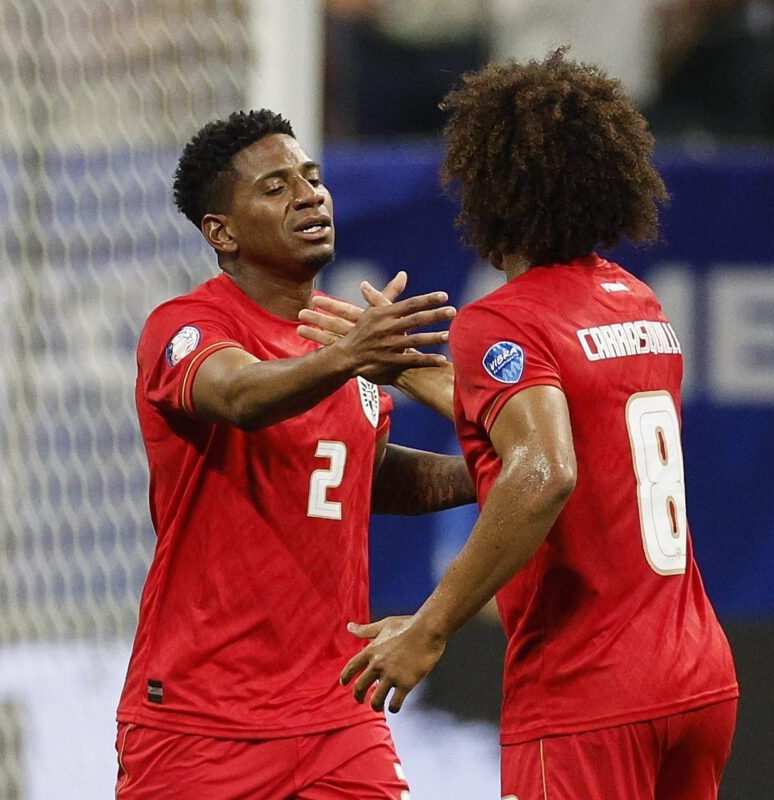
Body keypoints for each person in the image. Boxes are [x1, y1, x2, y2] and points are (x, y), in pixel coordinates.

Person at [336, 52, 739, 799]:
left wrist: (430, 625)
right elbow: (556, 411)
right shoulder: (636, 304)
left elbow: (545, 468)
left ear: (490, 188)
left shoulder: (505, 320)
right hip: (696, 677)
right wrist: (405, 368)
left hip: (590, 691)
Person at [115, 108, 474, 799]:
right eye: (276, 188)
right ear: (221, 231)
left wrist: (481, 475)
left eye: (312, 178)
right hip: (200, 723)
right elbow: (242, 395)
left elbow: (357, 472)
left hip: (339, 717)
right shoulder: (187, 326)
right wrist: (349, 356)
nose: (310, 196)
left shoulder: (342, 339)